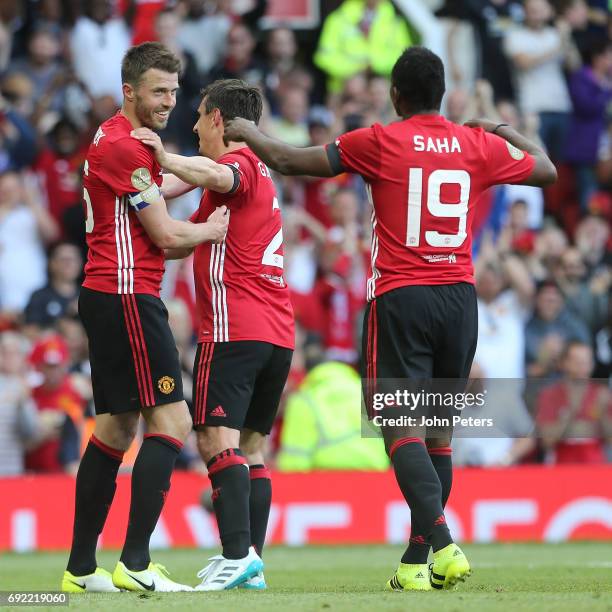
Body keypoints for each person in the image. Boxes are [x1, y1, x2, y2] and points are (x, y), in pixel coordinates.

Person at [224, 46, 557, 592]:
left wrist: (246, 132)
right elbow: (546, 170)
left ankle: (443, 544)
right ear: (443, 95)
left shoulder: (379, 140)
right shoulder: (475, 144)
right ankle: (413, 562)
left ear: (396, 96)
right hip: (460, 297)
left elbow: (289, 160)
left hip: (402, 298)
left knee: (400, 427)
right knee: (440, 436)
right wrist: (501, 127)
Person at [61, 42, 229, 594]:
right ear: (129, 91)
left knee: (113, 428)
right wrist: (211, 230)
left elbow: (157, 193)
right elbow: (166, 235)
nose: (168, 101)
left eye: (175, 92)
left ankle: (80, 571)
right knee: (173, 423)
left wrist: (202, 175)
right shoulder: (124, 149)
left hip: (109, 294)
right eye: (159, 91)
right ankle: (134, 562)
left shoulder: (121, 141)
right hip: (129, 295)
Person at [132, 78, 294, 590]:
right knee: (251, 448)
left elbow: (212, 173)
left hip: (235, 327)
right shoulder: (255, 173)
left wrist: (164, 154)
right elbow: (185, 217)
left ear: (220, 120)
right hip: (277, 332)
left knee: (211, 437)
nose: (195, 125)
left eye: (201, 116)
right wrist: (143, 185)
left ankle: (235, 554)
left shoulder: (240, 164)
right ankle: (251, 565)